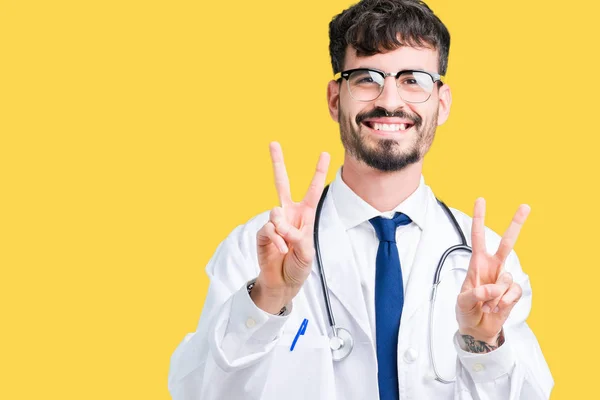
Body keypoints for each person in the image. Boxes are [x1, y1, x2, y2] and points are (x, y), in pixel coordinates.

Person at [167, 0, 553, 399]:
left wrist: (482, 343)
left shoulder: (485, 258)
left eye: (413, 79)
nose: (389, 100)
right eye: (367, 78)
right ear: (336, 99)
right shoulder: (258, 249)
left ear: (442, 103)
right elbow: (195, 392)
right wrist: (267, 301)